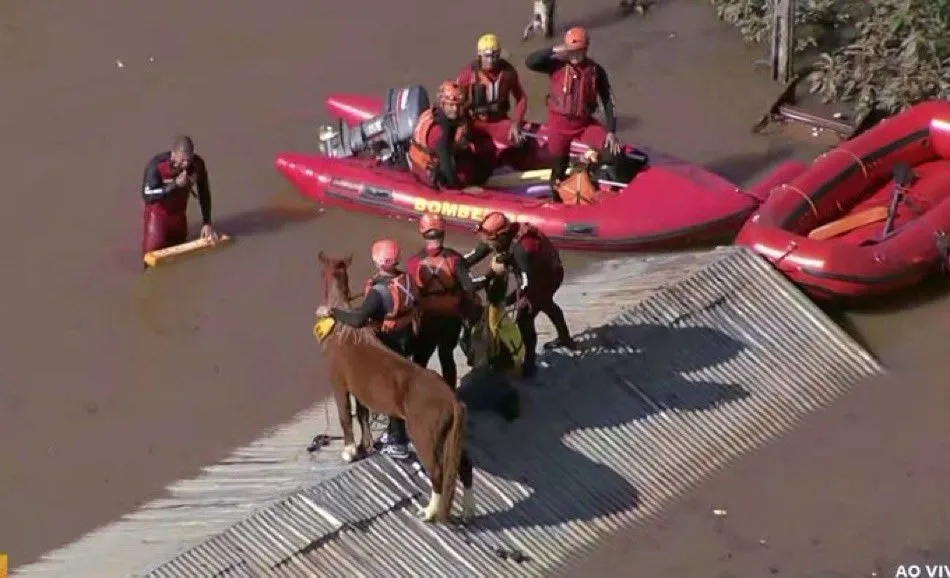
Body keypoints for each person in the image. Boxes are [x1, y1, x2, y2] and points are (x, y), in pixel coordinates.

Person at [315, 239, 419, 460]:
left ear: (377, 260)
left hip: (387, 343)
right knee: (399, 387)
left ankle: (396, 442)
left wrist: (333, 312)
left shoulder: (378, 290)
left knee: (390, 390)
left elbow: (359, 319)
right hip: (407, 339)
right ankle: (391, 434)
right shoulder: (406, 279)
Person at [465, 212, 574, 378]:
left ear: (500, 236)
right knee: (547, 304)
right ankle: (565, 338)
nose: (485, 242)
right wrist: (453, 266)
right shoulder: (500, 238)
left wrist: (506, 302)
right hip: (533, 271)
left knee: (525, 319)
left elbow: (527, 284)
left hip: (547, 276)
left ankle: (529, 364)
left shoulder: (522, 250)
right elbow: (473, 256)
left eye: (488, 239)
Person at [524, 27, 622, 202]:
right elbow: (530, 62)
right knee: (558, 171)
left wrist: (611, 131)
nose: (575, 56)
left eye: (579, 52)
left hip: (584, 124)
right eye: (571, 51)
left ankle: (588, 174)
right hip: (558, 126)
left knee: (613, 154)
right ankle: (559, 200)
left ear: (586, 49)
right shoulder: (555, 65)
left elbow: (608, 101)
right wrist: (554, 50)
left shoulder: (596, 71)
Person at [406, 213, 480, 389]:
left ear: (422, 233)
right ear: (443, 233)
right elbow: (469, 288)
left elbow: (410, 292)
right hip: (451, 319)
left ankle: (417, 393)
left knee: (420, 360)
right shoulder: (455, 259)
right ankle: (450, 394)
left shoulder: (414, 261)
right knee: (446, 356)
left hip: (426, 320)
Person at [456, 34, 531, 168]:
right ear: (479, 55)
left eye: (495, 56)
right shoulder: (468, 74)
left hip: (499, 122)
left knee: (519, 142)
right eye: (487, 56)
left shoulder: (508, 73)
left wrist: (517, 124)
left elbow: (521, 98)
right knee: (462, 145)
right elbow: (457, 103)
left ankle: (510, 166)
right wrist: (462, 127)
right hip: (474, 123)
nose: (491, 60)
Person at [407, 81, 495, 190]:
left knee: (484, 146)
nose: (455, 109)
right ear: (443, 104)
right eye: (451, 105)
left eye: (459, 106)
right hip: (428, 167)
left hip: (448, 155)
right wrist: (458, 189)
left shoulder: (453, 117)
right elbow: (445, 161)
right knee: (463, 176)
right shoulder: (437, 131)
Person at [142, 135, 218, 259]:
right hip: (158, 218)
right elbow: (147, 196)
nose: (185, 164)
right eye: (182, 161)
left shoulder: (198, 165)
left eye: (188, 160)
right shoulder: (157, 166)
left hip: (179, 217)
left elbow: (204, 192)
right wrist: (174, 185)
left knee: (181, 259)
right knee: (151, 259)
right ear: (173, 155)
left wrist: (207, 222)